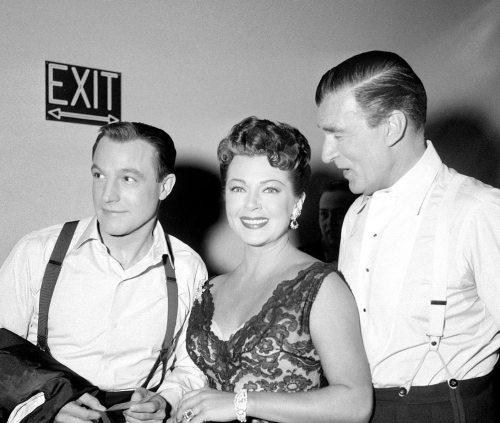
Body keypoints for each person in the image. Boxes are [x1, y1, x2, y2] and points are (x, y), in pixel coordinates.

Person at [316, 50, 500, 422]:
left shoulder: (478, 210)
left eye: (338, 134)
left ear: (392, 127)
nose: (327, 153)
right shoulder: (355, 213)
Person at [0, 122, 208, 422]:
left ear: (165, 187)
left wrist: (164, 401)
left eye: (127, 178)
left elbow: (191, 367)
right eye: (99, 175)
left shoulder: (187, 268)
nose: (107, 195)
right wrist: (46, 406)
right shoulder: (39, 251)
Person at [174, 116, 373, 423]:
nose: (251, 204)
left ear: (296, 203)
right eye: (239, 189)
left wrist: (241, 403)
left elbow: (356, 403)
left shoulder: (319, 287)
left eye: (269, 190)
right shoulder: (209, 289)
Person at [301, 179, 356, 265]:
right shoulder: (303, 257)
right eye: (324, 214)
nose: (330, 222)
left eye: (339, 214)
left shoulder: (362, 255)